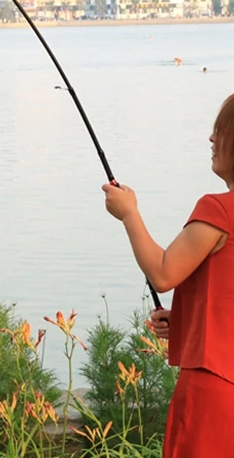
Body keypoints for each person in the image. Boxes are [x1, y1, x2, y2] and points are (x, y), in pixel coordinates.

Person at [103, 94, 234, 456]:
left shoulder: (219, 209)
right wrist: (188, 322)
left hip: (215, 388)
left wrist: (129, 213)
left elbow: (163, 274)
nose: (211, 139)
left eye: (220, 130)